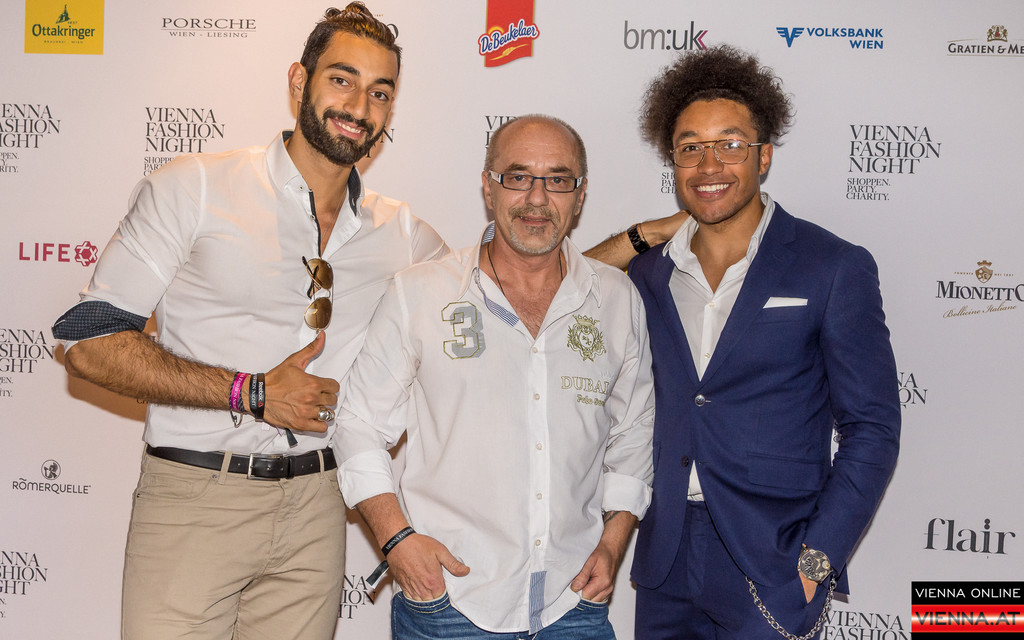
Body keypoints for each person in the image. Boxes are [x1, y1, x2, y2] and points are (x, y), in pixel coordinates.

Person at [51, 4, 446, 639]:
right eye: (341, 80)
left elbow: (508, 286)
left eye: (380, 92)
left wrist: (621, 252)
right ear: (299, 81)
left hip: (318, 508)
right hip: (195, 497)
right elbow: (87, 340)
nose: (359, 106)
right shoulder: (195, 188)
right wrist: (251, 392)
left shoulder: (400, 232)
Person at [336, 115, 655, 639]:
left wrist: (613, 543)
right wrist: (397, 543)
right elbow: (357, 424)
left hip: (573, 604)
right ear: (489, 187)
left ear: (580, 195)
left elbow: (634, 435)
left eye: (557, 179)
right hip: (449, 603)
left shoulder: (617, 299)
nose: (537, 198)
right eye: (518, 176)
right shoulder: (420, 293)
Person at [625, 46, 901, 639]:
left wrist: (817, 560)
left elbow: (872, 427)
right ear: (673, 161)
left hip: (772, 558)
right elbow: (554, 282)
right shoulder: (648, 274)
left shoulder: (832, 266)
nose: (709, 164)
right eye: (690, 147)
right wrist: (642, 235)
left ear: (764, 155)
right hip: (665, 555)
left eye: (730, 144)